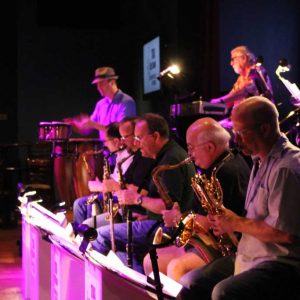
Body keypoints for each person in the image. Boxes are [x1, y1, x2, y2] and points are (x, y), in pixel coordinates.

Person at [180, 96, 300, 300]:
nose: (236, 140)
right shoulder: (259, 161)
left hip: (279, 262)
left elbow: (285, 234)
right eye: (234, 133)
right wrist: (226, 218)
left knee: (223, 293)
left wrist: (235, 223)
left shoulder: (286, 167)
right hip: (251, 254)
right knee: (190, 283)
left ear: (265, 129)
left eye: (241, 133)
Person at [143, 117, 250, 282]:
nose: (190, 155)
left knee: (176, 268)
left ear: (209, 147)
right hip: (208, 239)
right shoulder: (219, 164)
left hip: (226, 246)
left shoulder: (225, 172)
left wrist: (179, 219)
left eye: (191, 148)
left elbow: (214, 221)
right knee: (151, 260)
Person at [91, 113, 196, 274]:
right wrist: (147, 213)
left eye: (139, 138)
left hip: (170, 228)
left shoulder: (170, 160)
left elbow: (169, 207)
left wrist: (137, 199)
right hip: (158, 222)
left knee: (101, 235)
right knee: (120, 254)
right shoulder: (167, 155)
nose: (137, 144)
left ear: (155, 136)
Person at [73, 122, 132, 228]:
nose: (104, 144)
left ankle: (88, 235)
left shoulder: (127, 158)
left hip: (119, 202)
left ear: (116, 141)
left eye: (106, 141)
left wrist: (100, 186)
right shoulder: (118, 156)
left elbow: (122, 186)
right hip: (112, 197)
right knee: (81, 203)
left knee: (84, 205)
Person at [65, 66, 136, 141]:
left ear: (112, 82)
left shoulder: (126, 102)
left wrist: (93, 124)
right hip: (106, 149)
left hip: (122, 150)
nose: (98, 87)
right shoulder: (100, 104)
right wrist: (77, 125)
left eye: (101, 83)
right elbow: (88, 128)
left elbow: (120, 131)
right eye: (97, 84)